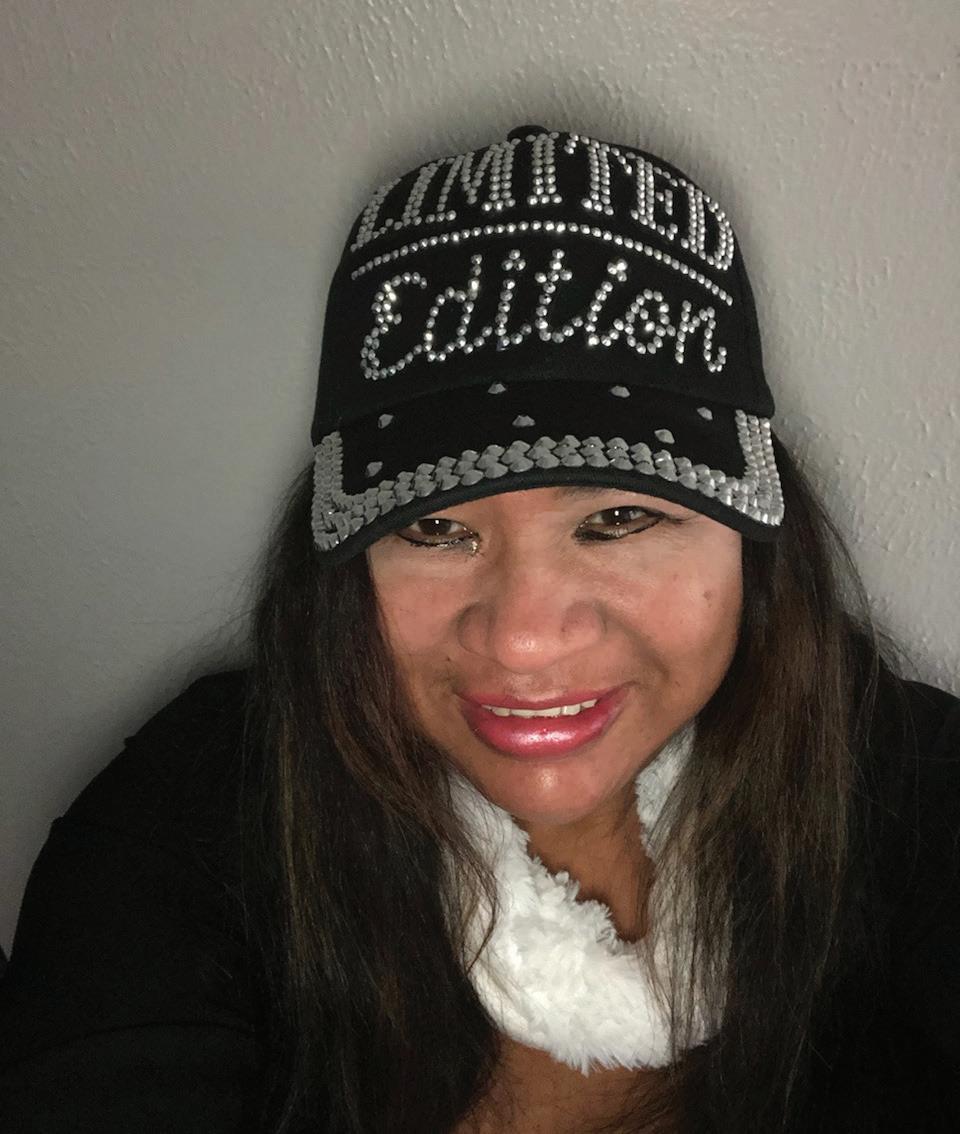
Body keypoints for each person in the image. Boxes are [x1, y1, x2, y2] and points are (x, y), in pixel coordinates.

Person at [0, 124, 957, 1134]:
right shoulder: (203, 808)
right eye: (433, 528)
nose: (523, 639)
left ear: (755, 536)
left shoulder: (918, 795)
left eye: (618, 517)